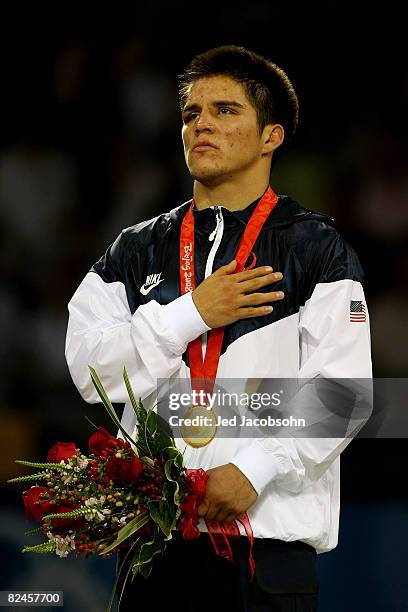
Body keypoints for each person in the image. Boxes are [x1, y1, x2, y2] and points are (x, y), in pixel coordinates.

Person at [65, 45, 372, 611]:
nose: (201, 122)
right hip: (153, 550)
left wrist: (257, 469)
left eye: (225, 110)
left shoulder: (315, 248)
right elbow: (90, 371)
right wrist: (193, 313)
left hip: (265, 556)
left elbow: (344, 393)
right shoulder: (133, 250)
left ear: (271, 137)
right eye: (190, 113)